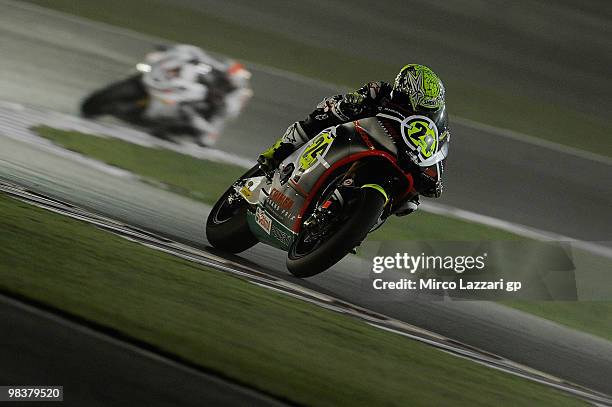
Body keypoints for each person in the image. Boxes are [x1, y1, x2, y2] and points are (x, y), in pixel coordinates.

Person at [257, 64, 450, 216]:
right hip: (357, 136)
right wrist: (349, 104)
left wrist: (433, 177)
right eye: (417, 104)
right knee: (326, 113)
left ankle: (357, 216)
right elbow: (352, 99)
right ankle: (278, 150)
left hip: (396, 157)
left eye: (427, 108)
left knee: (410, 199)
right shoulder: (380, 91)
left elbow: (437, 153)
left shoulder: (433, 128)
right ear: (405, 91)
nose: (419, 111)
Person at [142, 44, 252, 146]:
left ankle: (165, 127)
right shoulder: (216, 75)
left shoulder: (228, 102)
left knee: (189, 114)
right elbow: (204, 63)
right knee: (188, 99)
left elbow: (215, 126)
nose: (228, 81)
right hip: (191, 99)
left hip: (197, 118)